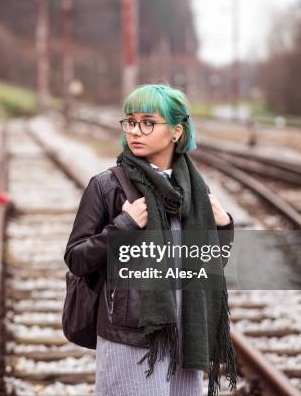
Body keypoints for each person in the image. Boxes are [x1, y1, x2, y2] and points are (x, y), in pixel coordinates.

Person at [64, 84, 237, 396]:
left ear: (176, 131)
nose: (136, 131)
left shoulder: (194, 191)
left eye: (147, 122)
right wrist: (122, 227)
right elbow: (76, 258)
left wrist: (223, 227)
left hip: (185, 334)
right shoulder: (106, 186)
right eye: (130, 121)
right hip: (131, 335)